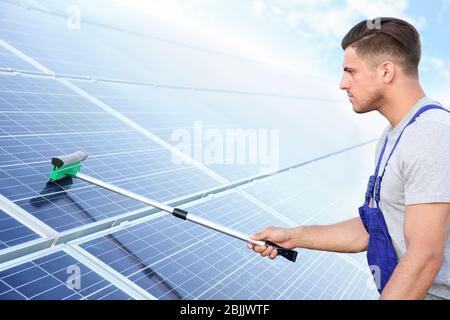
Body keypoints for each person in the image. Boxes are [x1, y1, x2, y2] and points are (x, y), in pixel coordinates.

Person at [248, 17, 450, 300]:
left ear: (386, 71)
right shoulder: (393, 136)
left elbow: (424, 258)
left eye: (350, 71)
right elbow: (376, 229)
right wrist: (294, 236)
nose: (343, 84)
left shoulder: (431, 135)